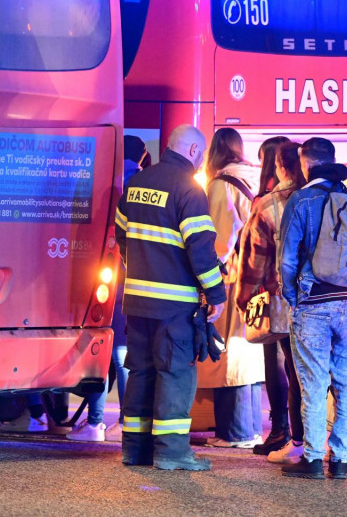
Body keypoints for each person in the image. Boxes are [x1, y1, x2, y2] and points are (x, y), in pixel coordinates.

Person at [116, 124, 226, 471]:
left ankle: (135, 450)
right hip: (174, 305)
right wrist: (216, 293)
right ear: (193, 151)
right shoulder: (188, 189)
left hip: (137, 301)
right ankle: (172, 451)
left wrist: (142, 271)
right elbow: (201, 249)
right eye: (201, 154)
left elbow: (122, 238)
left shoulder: (136, 184)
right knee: (175, 373)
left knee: (141, 372)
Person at [278, 137, 347, 481]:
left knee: (313, 383)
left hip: (313, 302)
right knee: (346, 382)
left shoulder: (300, 200)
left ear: (305, 163)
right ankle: (341, 459)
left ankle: (313, 458)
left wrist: (292, 296)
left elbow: (287, 256)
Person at [67, 135, 149, 442]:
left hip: (105, 274)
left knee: (102, 350)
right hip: (138, 277)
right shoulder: (147, 184)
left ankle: (95, 424)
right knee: (123, 353)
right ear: (142, 157)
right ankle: (126, 421)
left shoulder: (106, 180)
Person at [237, 141, 308, 461]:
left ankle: (294, 439)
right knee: (313, 370)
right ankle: (326, 443)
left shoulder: (269, 205)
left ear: (280, 167)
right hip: (326, 299)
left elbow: (254, 261)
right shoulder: (327, 197)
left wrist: (244, 299)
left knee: (291, 368)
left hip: (283, 300)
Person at [198, 128, 265, 449]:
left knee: (228, 356)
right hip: (255, 278)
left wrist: (207, 282)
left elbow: (219, 240)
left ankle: (234, 432)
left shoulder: (221, 184)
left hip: (232, 279)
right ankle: (251, 428)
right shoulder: (254, 179)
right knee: (248, 352)